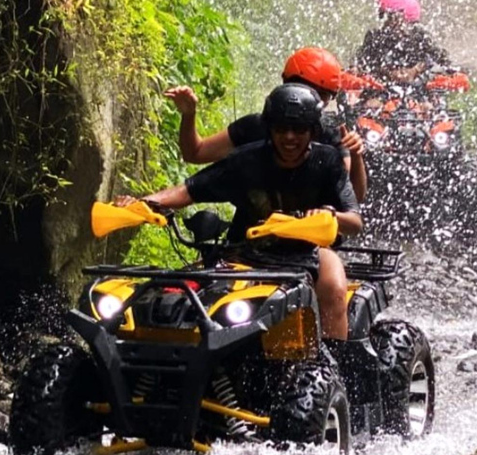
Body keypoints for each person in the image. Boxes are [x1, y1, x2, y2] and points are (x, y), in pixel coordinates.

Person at [116, 84, 362, 341]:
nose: (289, 137)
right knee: (183, 295)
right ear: (269, 128)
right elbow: (187, 191)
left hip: (308, 252)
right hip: (244, 252)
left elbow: (355, 221)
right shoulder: (246, 161)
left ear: (313, 131)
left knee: (334, 288)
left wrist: (328, 217)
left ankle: (333, 369)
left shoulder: (328, 161)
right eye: (281, 129)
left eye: (299, 129)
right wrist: (140, 204)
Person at [164, 47, 368, 203]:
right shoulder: (256, 126)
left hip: (309, 242)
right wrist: (189, 115)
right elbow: (195, 154)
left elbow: (351, 197)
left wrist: (357, 157)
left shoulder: (330, 135)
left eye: (320, 96)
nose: (289, 137)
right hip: (250, 237)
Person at [355, 0, 451, 84]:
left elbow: (441, 61)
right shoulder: (376, 38)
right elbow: (362, 64)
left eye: (397, 18)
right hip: (383, 89)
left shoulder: (420, 38)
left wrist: (415, 70)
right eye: (389, 17)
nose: (393, 22)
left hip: (417, 91)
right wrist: (388, 72)